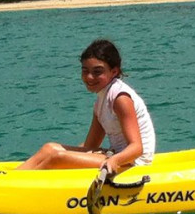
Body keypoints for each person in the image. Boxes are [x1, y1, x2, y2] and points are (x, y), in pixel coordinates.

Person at [17, 39, 155, 173]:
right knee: (50, 148)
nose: (89, 77)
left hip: (133, 161)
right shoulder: (101, 100)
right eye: (85, 71)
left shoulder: (121, 98)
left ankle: (20, 187)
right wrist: (73, 154)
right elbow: (91, 145)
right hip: (115, 155)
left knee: (58, 158)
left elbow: (137, 148)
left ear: (114, 72)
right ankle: (11, 178)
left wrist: (114, 161)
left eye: (97, 72)